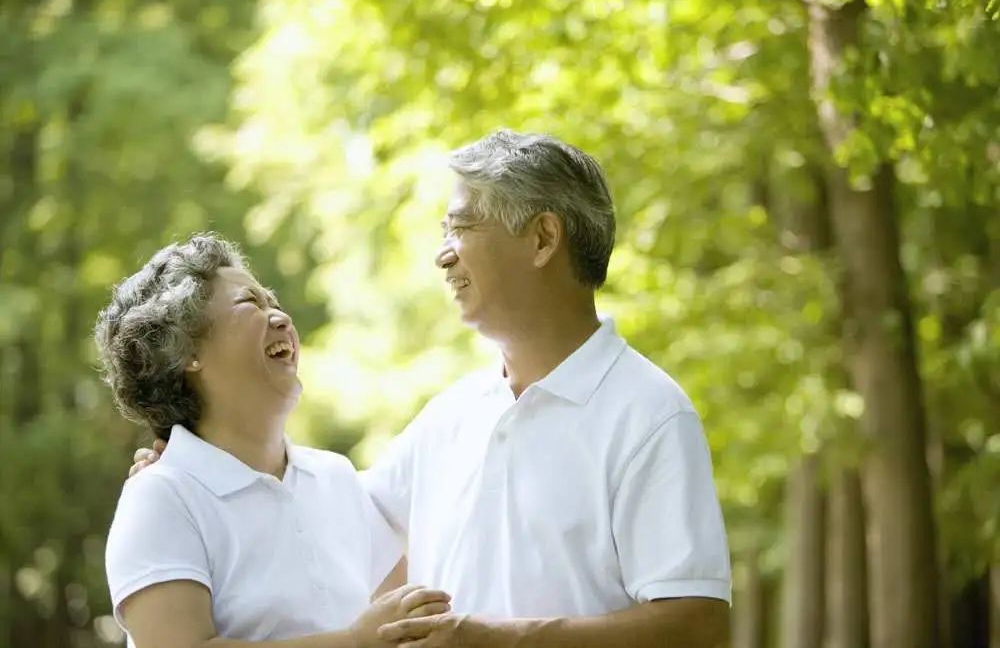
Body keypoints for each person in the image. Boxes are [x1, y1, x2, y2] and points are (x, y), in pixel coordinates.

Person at [132, 130, 732, 647]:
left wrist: (499, 639)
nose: (442, 256)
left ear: (543, 239)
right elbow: (311, 522)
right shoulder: (452, 415)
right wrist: (191, 467)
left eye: (460, 227)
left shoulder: (648, 414)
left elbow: (697, 624)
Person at [97, 235, 451, 648]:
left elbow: (407, 617)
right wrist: (354, 643)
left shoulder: (335, 477)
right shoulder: (161, 496)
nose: (280, 317)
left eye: (273, 301)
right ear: (188, 351)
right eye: (250, 303)